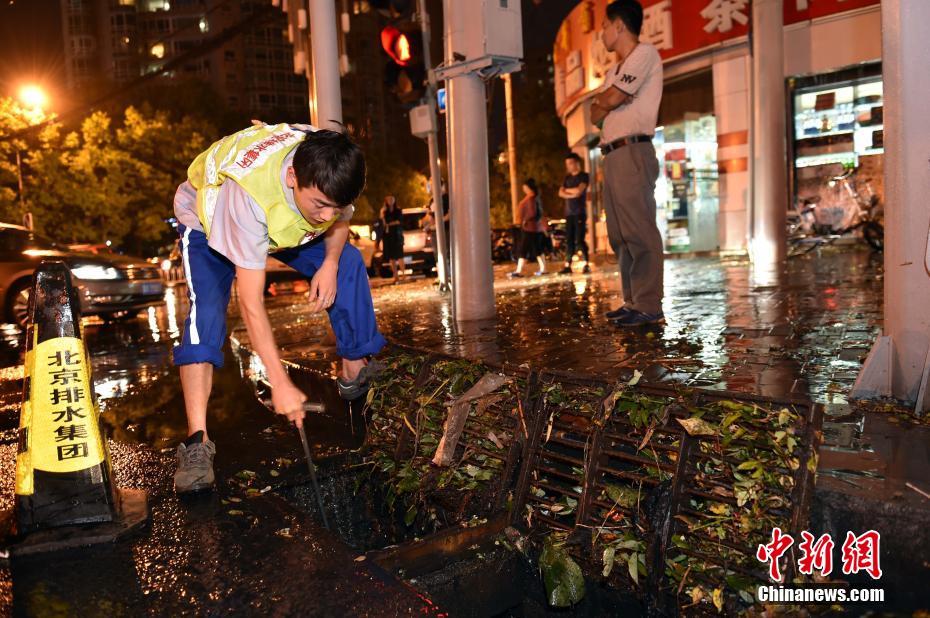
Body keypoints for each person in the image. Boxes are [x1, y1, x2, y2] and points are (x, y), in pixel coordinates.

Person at [171, 122, 386, 494]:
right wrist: (281, 383)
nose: (325, 216)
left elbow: (338, 218)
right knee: (205, 319)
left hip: (276, 222)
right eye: (319, 204)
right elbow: (252, 304)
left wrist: (330, 264)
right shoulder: (249, 196)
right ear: (291, 177)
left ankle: (354, 367)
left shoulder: (332, 167)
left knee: (348, 262)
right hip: (209, 222)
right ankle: (196, 444)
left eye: (333, 206)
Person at [592, 0, 665, 326]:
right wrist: (606, 101)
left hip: (633, 151)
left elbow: (608, 100)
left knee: (639, 230)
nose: (603, 35)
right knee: (620, 234)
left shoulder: (644, 55)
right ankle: (633, 301)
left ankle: (649, 305)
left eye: (605, 27)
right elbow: (595, 113)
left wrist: (608, 101)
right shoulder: (614, 70)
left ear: (619, 25)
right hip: (613, 153)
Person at [558, 152, 591, 274]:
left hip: (579, 212)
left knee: (579, 239)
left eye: (571, 163)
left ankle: (586, 264)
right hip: (569, 213)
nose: (569, 166)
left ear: (577, 163)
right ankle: (568, 265)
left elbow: (579, 191)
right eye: (567, 164)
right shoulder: (567, 178)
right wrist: (571, 192)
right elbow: (560, 193)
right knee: (569, 239)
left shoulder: (584, 176)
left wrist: (567, 192)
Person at [509, 178, 547, 278]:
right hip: (534, 228)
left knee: (524, 249)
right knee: (537, 249)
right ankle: (543, 269)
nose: (523, 188)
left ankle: (518, 271)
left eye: (525, 187)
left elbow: (532, 213)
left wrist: (525, 220)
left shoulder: (531, 199)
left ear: (528, 188)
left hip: (530, 228)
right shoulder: (534, 198)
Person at [380, 195, 404, 283]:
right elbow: (383, 224)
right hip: (388, 237)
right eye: (388, 199)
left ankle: (403, 275)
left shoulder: (398, 210)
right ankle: (396, 276)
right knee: (392, 258)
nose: (390, 201)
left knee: (400, 256)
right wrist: (382, 214)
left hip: (396, 236)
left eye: (392, 199)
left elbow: (399, 221)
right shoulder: (385, 212)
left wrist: (389, 224)